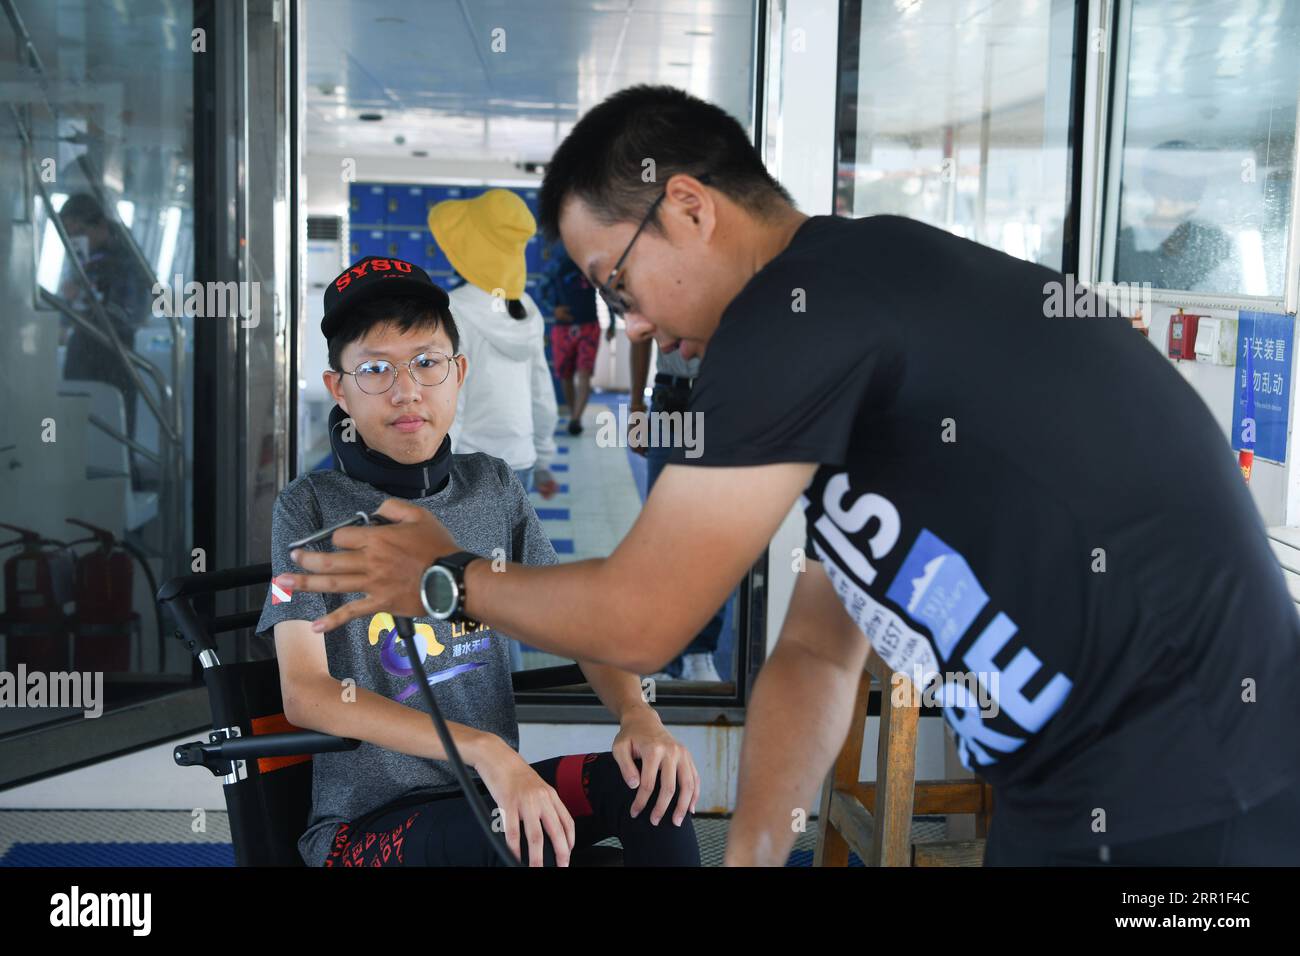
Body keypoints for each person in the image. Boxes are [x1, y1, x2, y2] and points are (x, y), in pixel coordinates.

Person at [276, 86, 1300, 866]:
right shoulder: (837, 314)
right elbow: (816, 647)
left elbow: (641, 621)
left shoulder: (799, 313)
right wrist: (757, 853)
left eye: (617, 282)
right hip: (1076, 781)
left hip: (1200, 786)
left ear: (686, 207)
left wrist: (446, 575)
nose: (627, 321)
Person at [257, 254, 700, 866]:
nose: (406, 389)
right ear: (339, 389)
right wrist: (486, 752)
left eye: (427, 363)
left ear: (458, 372)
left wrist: (638, 713)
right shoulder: (308, 507)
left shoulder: (491, 487)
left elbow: (577, 621)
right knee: (521, 842)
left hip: (492, 791)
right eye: (376, 369)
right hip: (365, 831)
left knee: (652, 788)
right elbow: (307, 694)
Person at [427, 188, 559, 500]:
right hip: (521, 457)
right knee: (510, 549)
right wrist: (543, 458)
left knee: (467, 549)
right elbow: (542, 393)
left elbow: (450, 399)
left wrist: (436, 468)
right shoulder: (526, 308)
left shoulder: (453, 309)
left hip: (468, 462)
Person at [629, 337, 726, 683]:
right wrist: (636, 403)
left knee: (710, 535)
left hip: (722, 396)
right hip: (670, 397)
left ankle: (700, 650)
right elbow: (639, 338)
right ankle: (664, 652)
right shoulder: (655, 286)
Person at [58, 192, 151, 442]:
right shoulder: (81, 258)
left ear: (100, 226)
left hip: (114, 353)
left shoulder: (128, 260)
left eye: (79, 233)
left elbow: (136, 311)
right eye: (69, 236)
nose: (75, 241)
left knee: (114, 427)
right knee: (77, 425)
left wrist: (92, 301)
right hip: (82, 349)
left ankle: (122, 476)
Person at [540, 251, 605, 435]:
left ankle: (576, 418)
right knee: (565, 375)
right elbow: (541, 289)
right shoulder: (556, 262)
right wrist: (553, 309)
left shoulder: (590, 261)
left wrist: (614, 323)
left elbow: (608, 291)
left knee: (584, 373)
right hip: (563, 328)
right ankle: (572, 413)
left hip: (589, 325)